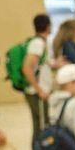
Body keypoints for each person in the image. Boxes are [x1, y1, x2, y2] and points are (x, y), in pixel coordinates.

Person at [23, 14, 56, 142]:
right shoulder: (37, 44)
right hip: (37, 93)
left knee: (39, 127)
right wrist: (39, 90)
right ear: (48, 26)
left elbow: (41, 65)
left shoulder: (41, 42)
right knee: (43, 128)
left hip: (38, 92)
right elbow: (26, 68)